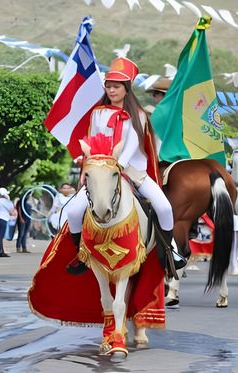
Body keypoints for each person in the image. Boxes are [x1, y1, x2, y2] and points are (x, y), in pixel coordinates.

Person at [65, 57, 183, 275]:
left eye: (116, 86)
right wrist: (91, 166)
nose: (111, 90)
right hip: (102, 170)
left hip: (133, 171)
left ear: (126, 89)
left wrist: (118, 165)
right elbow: (93, 141)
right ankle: (81, 255)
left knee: (164, 207)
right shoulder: (98, 113)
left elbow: (132, 145)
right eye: (108, 86)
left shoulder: (139, 115)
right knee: (72, 211)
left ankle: (170, 251)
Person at [0, 187, 15, 258]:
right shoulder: (5, 201)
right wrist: (9, 200)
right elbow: (12, 211)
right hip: (3, 219)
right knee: (0, 236)